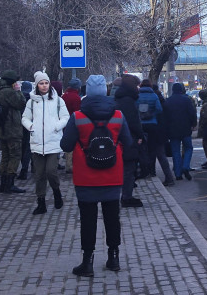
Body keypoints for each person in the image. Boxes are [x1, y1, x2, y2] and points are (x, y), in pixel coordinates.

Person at [60, 75, 133, 277]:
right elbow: (128, 141)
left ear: (87, 93)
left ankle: (87, 262)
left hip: (85, 177)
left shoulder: (77, 117)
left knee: (88, 219)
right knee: (112, 218)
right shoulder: (118, 115)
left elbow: (65, 145)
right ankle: (114, 257)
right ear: (106, 92)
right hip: (113, 174)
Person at [22, 72, 69, 215]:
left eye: (46, 83)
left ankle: (56, 192)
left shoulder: (58, 100)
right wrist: (31, 127)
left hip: (53, 141)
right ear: (37, 85)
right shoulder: (31, 101)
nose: (44, 86)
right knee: (39, 174)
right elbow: (25, 118)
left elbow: (65, 117)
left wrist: (56, 126)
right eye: (41, 83)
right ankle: (41, 202)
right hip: (37, 142)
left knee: (51, 172)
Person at [114, 74, 144, 207]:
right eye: (137, 86)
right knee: (129, 168)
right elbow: (133, 121)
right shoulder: (128, 101)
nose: (138, 88)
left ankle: (125, 195)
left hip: (122, 137)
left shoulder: (120, 98)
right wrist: (140, 136)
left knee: (127, 168)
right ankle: (126, 197)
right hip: (128, 139)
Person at [0, 70, 27, 194]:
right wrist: (18, 90)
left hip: (1, 129)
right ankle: (10, 185)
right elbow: (21, 103)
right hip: (12, 129)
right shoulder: (9, 92)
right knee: (14, 156)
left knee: (5, 156)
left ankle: (3, 185)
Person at [163, 83, 197, 181]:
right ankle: (185, 166)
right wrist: (193, 124)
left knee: (175, 152)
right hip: (185, 129)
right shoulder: (186, 100)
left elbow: (164, 117)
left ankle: (178, 174)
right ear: (181, 90)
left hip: (173, 130)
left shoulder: (168, 101)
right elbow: (192, 113)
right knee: (188, 148)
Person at [137, 79, 164, 179]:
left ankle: (144, 170)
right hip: (152, 124)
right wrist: (152, 114)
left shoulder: (137, 96)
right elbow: (159, 109)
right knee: (152, 149)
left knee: (142, 148)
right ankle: (152, 171)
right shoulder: (154, 96)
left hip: (140, 125)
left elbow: (134, 108)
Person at [152, 84, 174, 186]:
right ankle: (169, 178)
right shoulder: (162, 101)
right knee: (161, 155)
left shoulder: (139, 98)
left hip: (147, 130)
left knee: (149, 154)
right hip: (160, 131)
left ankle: (151, 173)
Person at [62, 78, 82, 174]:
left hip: (64, 123)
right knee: (74, 144)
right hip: (73, 123)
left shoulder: (64, 96)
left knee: (68, 143)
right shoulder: (76, 98)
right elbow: (77, 112)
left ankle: (68, 164)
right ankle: (70, 166)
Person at [17, 81, 33, 180]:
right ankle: (32, 167)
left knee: (22, 148)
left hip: (19, 126)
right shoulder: (33, 99)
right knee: (30, 148)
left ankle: (24, 168)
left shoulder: (18, 98)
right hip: (31, 125)